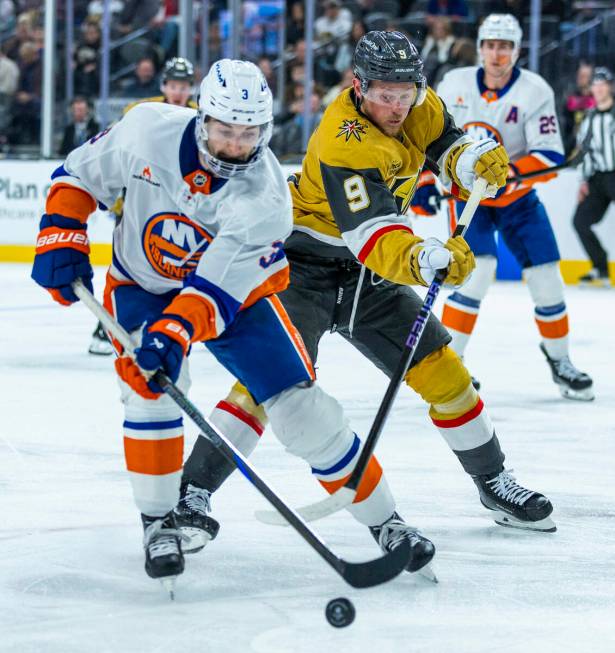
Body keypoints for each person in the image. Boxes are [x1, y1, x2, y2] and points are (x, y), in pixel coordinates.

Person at [31, 59, 447, 588]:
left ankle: (387, 523)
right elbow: (78, 174)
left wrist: (174, 333)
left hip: (237, 299)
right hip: (142, 285)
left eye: (249, 133)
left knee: (304, 411)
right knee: (152, 391)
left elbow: (213, 293)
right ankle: (158, 522)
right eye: (225, 129)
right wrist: (60, 231)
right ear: (201, 117)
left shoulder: (267, 197)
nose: (235, 144)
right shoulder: (145, 129)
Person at [174, 31, 555, 559]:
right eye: (384, 93)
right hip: (304, 268)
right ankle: (192, 492)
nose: (397, 105)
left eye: (405, 92)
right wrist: (425, 259)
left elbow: (445, 144)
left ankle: (494, 483)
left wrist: (470, 161)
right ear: (358, 85)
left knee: (447, 375)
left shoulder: (417, 103)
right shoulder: (342, 141)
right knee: (265, 385)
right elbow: (372, 234)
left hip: (368, 277)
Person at [435, 14, 594, 401]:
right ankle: (449, 365)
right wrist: (426, 180)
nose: (496, 53)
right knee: (478, 271)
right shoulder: (453, 84)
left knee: (547, 278)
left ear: (516, 50)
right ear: (480, 47)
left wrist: (509, 172)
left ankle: (560, 360)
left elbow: (550, 152)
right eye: (490, 44)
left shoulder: (534, 89)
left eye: (504, 46)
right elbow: (429, 138)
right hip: (468, 199)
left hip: (517, 199)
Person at [89, 56, 199, 357]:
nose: (178, 91)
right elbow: (118, 151)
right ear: (164, 85)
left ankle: (178, 321)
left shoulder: (201, 117)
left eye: (184, 86)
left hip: (180, 205)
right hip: (139, 199)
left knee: (181, 264)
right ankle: (109, 324)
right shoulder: (141, 112)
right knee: (126, 266)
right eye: (174, 85)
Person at [572, 67, 614, 287]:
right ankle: (600, 267)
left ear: (610, 87)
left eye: (602, 84)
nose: (598, 88)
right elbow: (584, 151)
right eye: (595, 84)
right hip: (598, 178)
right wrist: (583, 181)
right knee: (580, 222)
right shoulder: (589, 118)